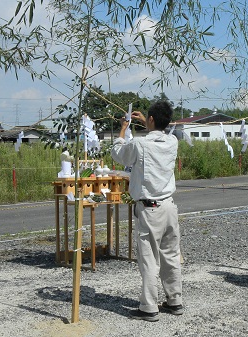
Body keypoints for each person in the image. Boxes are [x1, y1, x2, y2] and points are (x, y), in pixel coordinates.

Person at [110, 100, 183, 322]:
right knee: (170, 256)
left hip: (150, 209)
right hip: (170, 207)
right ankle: (174, 301)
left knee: (150, 258)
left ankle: (149, 307)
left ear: (151, 120)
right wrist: (147, 122)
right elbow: (160, 132)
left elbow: (119, 154)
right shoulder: (172, 141)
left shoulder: (140, 145)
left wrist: (123, 128)